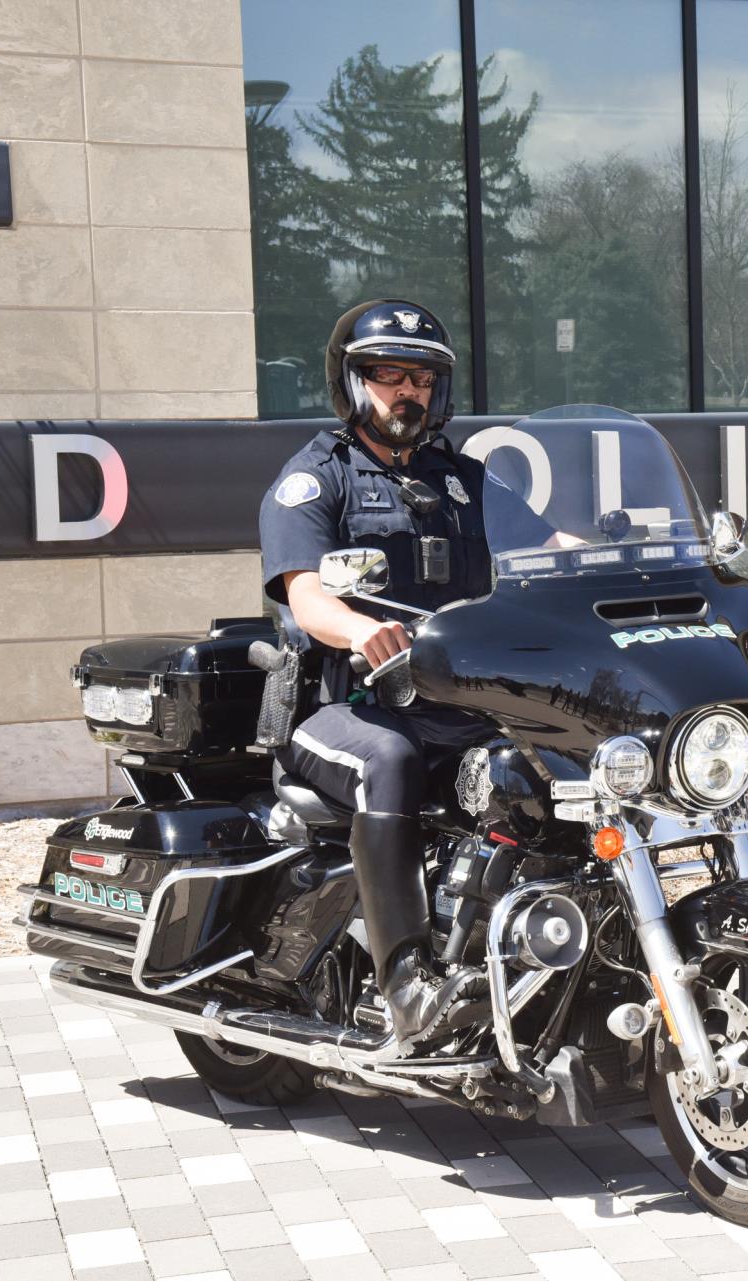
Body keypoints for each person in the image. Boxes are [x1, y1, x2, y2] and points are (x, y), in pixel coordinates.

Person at [259, 298, 562, 1047]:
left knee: (540, 763)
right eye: (388, 374)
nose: (408, 391)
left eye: (421, 377)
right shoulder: (316, 477)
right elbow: (306, 594)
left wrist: (631, 556)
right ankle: (406, 985)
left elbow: (556, 546)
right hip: (346, 708)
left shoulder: (463, 479)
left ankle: (523, 943)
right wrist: (364, 632)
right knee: (388, 762)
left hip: (454, 705)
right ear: (355, 383)